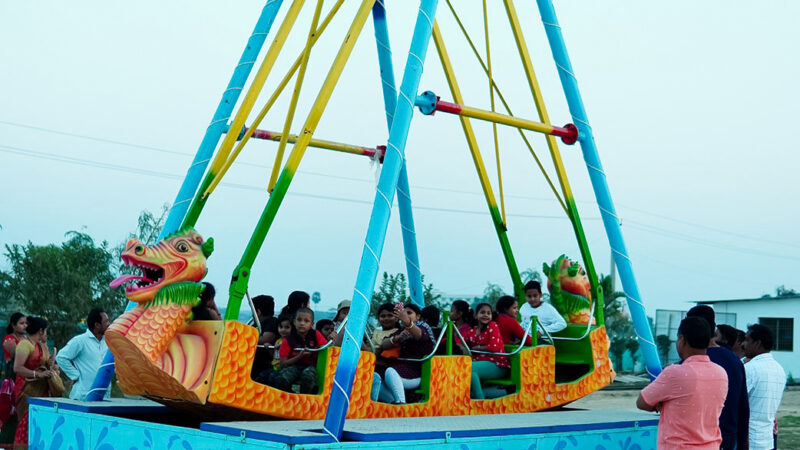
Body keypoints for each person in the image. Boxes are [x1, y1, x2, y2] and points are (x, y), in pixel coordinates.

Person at [636, 316, 727, 450]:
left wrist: (661, 405)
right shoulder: (721, 373)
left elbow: (642, 402)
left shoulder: (675, 373)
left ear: (682, 340)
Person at [686, 306, 749, 450]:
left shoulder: (691, 363)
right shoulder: (735, 361)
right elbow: (743, 407)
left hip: (699, 438)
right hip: (727, 437)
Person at [13, 317, 61, 448]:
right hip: (26, 390)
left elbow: (44, 364)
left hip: (42, 391)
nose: (46, 334)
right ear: (41, 331)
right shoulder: (25, 344)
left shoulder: (42, 346)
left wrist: (52, 367)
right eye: (46, 331)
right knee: (26, 423)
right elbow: (17, 368)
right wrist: (37, 374)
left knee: (40, 422)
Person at [372, 303, 434, 404]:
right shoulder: (402, 330)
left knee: (390, 371)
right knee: (374, 377)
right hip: (400, 367)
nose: (405, 315)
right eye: (404, 313)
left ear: (418, 316)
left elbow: (419, 335)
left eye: (409, 313)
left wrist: (407, 322)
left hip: (416, 371)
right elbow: (384, 344)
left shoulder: (423, 327)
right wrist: (397, 338)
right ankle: (393, 404)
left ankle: (401, 403)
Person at [743, 323, 786, 450]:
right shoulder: (779, 369)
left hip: (750, 439)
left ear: (757, 343)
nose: (743, 344)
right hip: (767, 439)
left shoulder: (749, 369)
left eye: (747, 340)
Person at [56, 308, 110, 401]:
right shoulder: (80, 341)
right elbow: (61, 357)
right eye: (106, 322)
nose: (109, 324)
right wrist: (75, 375)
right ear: (97, 325)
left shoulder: (108, 342)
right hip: (83, 396)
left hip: (104, 396)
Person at [269, 308, 327, 394]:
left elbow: (326, 350)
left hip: (312, 367)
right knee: (281, 379)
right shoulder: (288, 340)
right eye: (299, 320)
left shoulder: (316, 335)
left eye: (306, 321)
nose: (302, 323)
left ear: (312, 324)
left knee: (308, 376)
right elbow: (283, 363)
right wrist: (299, 356)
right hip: (294, 366)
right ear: (294, 322)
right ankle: (292, 398)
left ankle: (306, 398)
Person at [464, 302, 509, 399]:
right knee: (463, 366)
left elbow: (494, 347)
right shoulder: (472, 331)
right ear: (476, 316)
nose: (486, 315)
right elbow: (463, 343)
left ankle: (480, 400)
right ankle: (472, 397)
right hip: (481, 363)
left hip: (497, 364)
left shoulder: (492, 326)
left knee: (469, 367)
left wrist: (477, 348)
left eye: (488, 313)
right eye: (482, 312)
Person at [0, 313, 25, 446]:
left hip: (24, 380)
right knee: (11, 412)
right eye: (21, 323)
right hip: (13, 379)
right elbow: (18, 358)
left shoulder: (25, 340)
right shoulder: (9, 339)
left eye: (26, 323)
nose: (25, 326)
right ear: (14, 325)